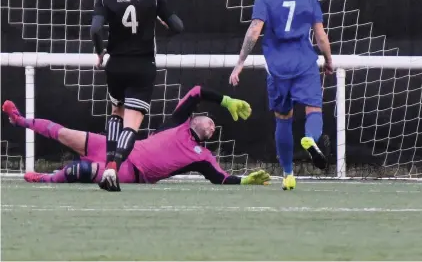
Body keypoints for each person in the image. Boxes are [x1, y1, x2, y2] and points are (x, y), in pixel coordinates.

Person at [2, 86, 270, 187]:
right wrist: (225, 101)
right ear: (195, 117)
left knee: (80, 171)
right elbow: (197, 92)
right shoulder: (175, 123)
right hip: (116, 148)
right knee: (63, 133)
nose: (212, 128)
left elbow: (220, 177)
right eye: (210, 122)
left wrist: (245, 180)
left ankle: (44, 177)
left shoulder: (201, 156)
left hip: (133, 173)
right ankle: (19, 120)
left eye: (213, 130)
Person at [229, 0, 333, 191]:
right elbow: (320, 35)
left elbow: (254, 31)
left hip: (277, 68)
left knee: (283, 118)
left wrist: (240, 63)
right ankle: (311, 139)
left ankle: (288, 174)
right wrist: (328, 60)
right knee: (313, 108)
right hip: (304, 63)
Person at [91, 0, 184, 191]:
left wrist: (100, 52)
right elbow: (178, 27)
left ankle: (108, 165)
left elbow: (94, 29)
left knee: (116, 112)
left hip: (116, 66)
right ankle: (114, 166)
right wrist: (161, 29)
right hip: (143, 66)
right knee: (132, 124)